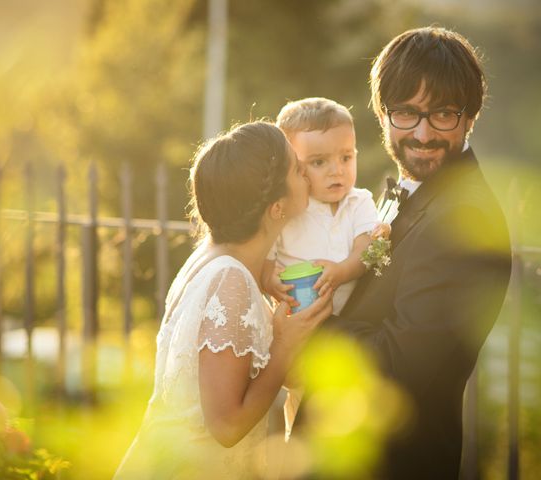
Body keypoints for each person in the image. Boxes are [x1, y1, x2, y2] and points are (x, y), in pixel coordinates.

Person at [328, 27, 512, 479]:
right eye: (406, 113)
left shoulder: (463, 219)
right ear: (382, 114)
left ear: (470, 117)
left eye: (443, 114)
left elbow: (396, 368)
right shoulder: (411, 192)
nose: (423, 134)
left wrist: (303, 332)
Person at [113, 121, 333, 479]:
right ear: (276, 207)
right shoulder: (231, 280)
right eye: (297, 168)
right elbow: (227, 426)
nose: (306, 172)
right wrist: (284, 346)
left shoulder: (212, 257)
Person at [262, 97, 385, 316]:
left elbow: (365, 248)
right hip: (298, 320)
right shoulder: (285, 212)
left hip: (351, 320)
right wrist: (270, 281)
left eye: (346, 158)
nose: (337, 171)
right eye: (319, 162)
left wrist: (342, 271)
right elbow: (266, 263)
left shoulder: (359, 202)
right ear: (291, 165)